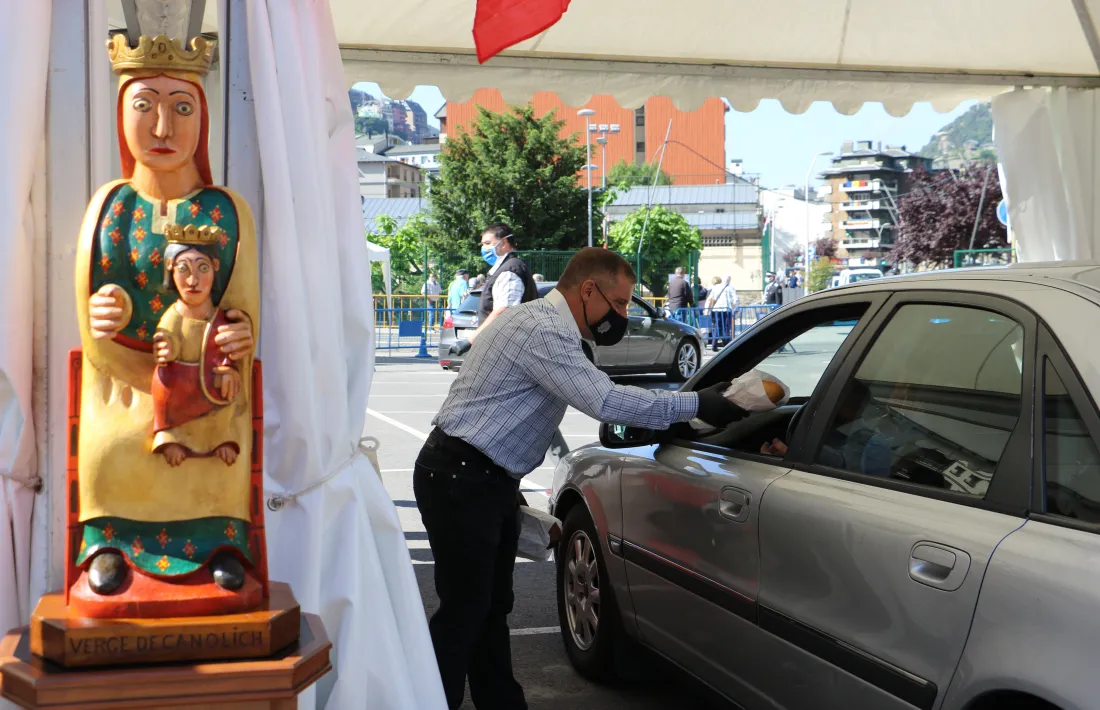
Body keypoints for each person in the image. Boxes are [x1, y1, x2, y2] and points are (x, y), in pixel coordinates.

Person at [414, 249, 748, 709]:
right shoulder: (543, 330)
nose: (623, 315)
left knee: (488, 610)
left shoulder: (542, 324)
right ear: (588, 289)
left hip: (474, 476)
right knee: (466, 615)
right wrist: (697, 404)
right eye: (619, 302)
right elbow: (606, 402)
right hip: (462, 476)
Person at [452, 223, 538, 354]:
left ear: (503, 242)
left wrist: (470, 340)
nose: (483, 248)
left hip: (508, 349)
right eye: (482, 244)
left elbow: (503, 310)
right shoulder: (503, 269)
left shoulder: (510, 271)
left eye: (487, 243)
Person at [705, 276, 736, 350]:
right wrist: (734, 309)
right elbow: (734, 300)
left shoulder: (714, 288)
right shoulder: (729, 288)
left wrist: (707, 310)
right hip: (726, 309)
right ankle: (726, 344)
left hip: (716, 310)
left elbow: (710, 299)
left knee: (717, 327)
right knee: (726, 327)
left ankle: (714, 344)